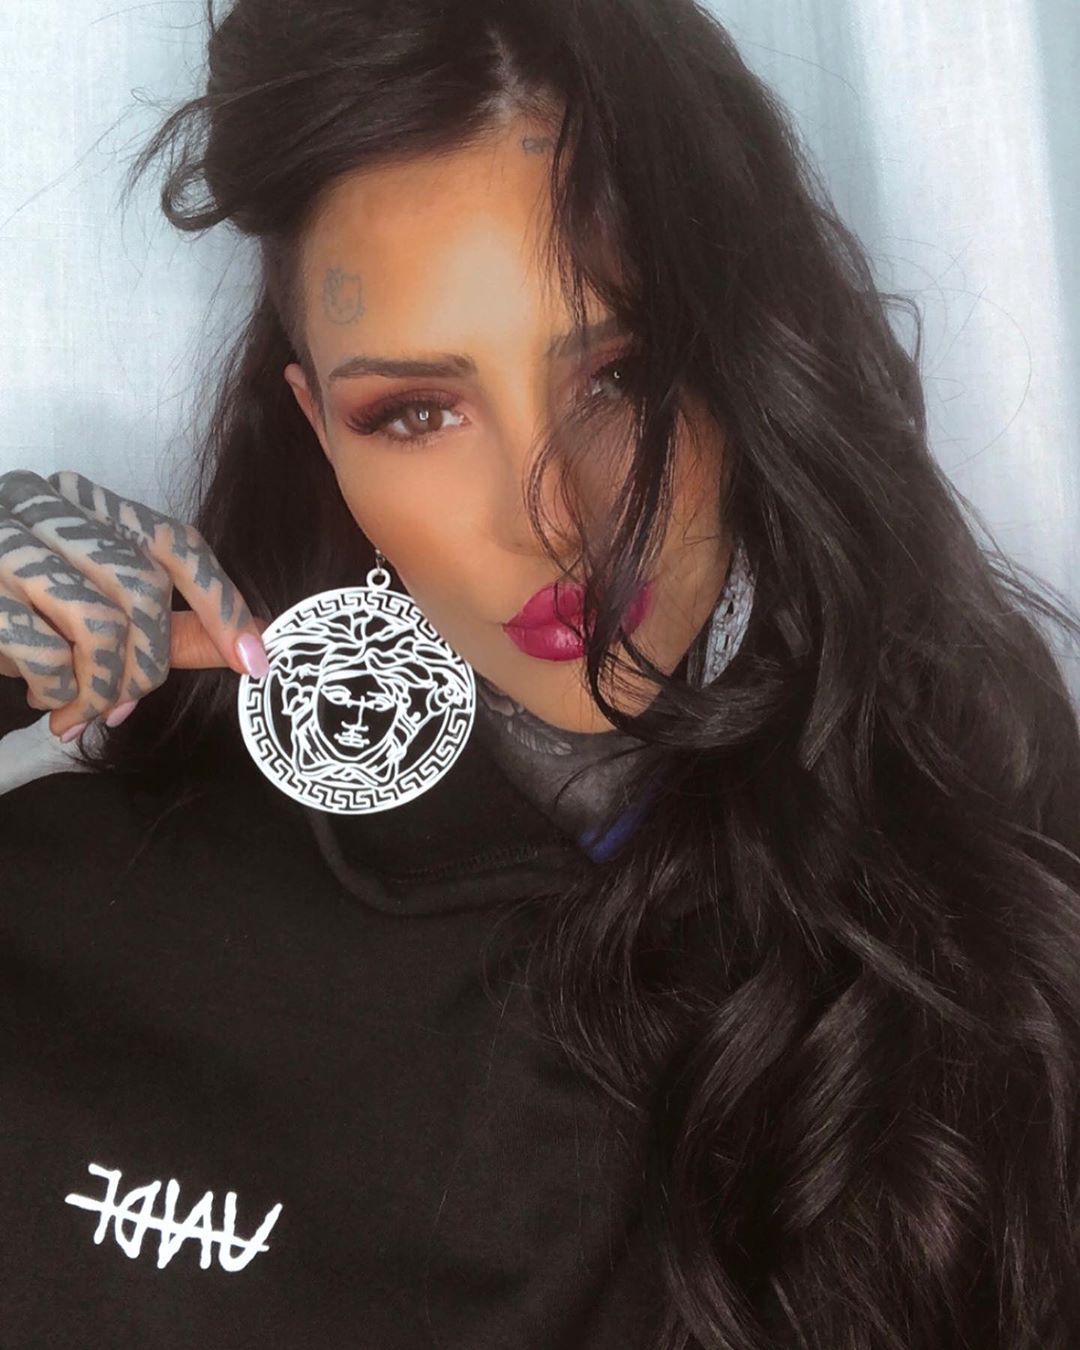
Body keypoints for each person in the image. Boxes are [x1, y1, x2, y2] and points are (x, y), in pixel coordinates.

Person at [1, 0, 1079, 1344]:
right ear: (319, 428)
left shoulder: (1009, 895)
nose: (554, 515)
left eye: (620, 374)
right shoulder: (79, 905)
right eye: (417, 411)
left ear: (752, 360)